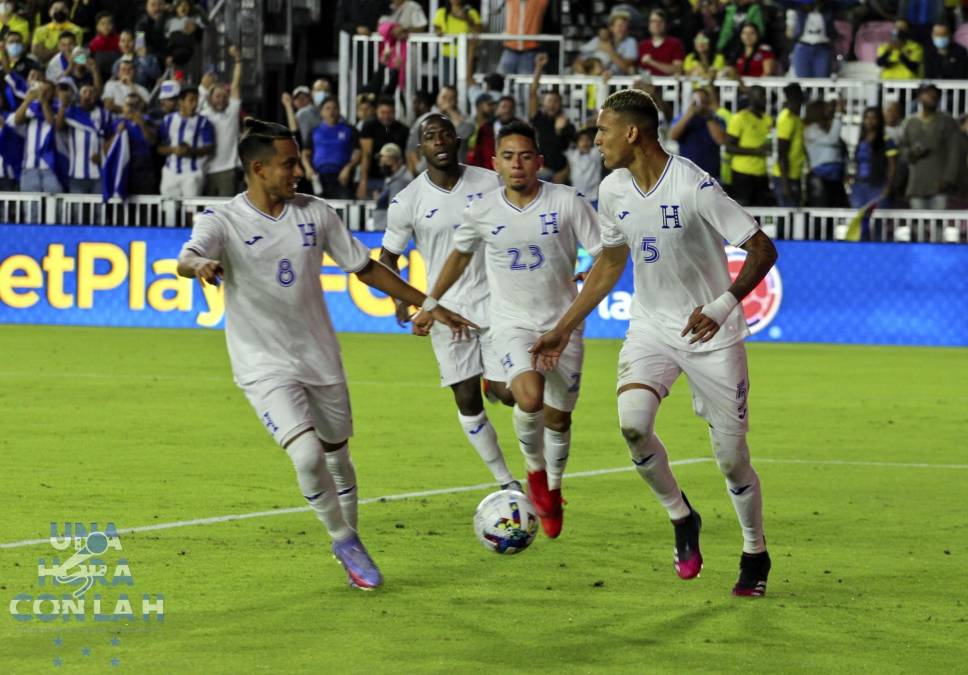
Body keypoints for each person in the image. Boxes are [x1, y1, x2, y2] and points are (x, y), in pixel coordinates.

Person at [176, 118, 474, 590]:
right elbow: (186, 257)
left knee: (337, 451)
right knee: (308, 455)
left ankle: (351, 538)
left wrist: (428, 303)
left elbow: (366, 269)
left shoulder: (316, 213)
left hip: (319, 355)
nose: (300, 170)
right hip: (261, 364)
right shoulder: (222, 219)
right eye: (289, 163)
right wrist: (201, 265)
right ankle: (343, 538)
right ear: (258, 168)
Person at [530, 89, 778, 597]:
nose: (595, 140)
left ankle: (755, 550)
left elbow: (761, 249)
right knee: (632, 425)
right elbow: (611, 262)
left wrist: (721, 305)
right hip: (651, 327)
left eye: (602, 131)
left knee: (731, 460)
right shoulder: (614, 189)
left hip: (712, 334)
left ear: (632, 133)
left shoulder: (694, 186)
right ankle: (682, 517)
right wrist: (564, 325)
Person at [419, 120, 602, 539]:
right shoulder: (481, 210)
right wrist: (430, 302)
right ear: (494, 163)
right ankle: (535, 474)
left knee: (558, 419)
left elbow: (605, 253)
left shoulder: (568, 202)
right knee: (529, 395)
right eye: (508, 157)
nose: (516, 165)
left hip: (564, 323)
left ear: (539, 161)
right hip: (511, 323)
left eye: (525, 156)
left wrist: (589, 273)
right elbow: (459, 258)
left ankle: (553, 488)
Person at [380, 113, 520, 491]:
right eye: (430, 136)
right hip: (446, 309)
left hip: (497, 302)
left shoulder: (491, 182)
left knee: (513, 395)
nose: (438, 141)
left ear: (457, 141)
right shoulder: (408, 201)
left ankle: (497, 387)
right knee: (466, 398)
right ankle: (507, 482)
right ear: (420, 147)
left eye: (445, 134)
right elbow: (388, 257)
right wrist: (400, 300)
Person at [899, 83, 962, 209]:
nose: (932, 97)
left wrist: (948, 179)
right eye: (928, 94)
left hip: (940, 183)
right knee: (918, 224)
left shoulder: (947, 121)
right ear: (919, 97)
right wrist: (912, 152)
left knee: (938, 224)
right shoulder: (909, 122)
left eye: (935, 95)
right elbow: (902, 151)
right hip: (916, 183)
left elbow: (955, 153)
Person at [158, 86, 214, 197]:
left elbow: (210, 148)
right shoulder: (167, 120)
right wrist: (174, 150)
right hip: (170, 172)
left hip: (193, 173)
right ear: (181, 102)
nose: (195, 104)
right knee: (169, 209)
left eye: (196, 100)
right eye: (191, 100)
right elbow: (159, 148)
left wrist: (190, 151)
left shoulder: (204, 122)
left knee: (191, 210)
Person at [201, 46, 242, 197]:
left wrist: (238, 60)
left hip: (227, 170)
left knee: (226, 213)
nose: (221, 99)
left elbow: (236, 84)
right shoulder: (203, 115)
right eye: (217, 96)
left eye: (224, 96)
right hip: (205, 169)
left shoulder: (231, 112)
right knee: (206, 212)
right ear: (210, 98)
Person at [55, 81, 110, 194]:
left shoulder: (104, 114)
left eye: (92, 92)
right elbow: (58, 127)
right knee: (76, 210)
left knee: (98, 210)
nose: (88, 95)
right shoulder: (71, 112)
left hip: (99, 173)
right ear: (79, 96)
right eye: (85, 92)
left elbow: (112, 137)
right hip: (76, 173)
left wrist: (103, 154)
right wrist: (63, 106)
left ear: (96, 97)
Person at [302, 97, 360, 200]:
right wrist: (308, 169)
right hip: (318, 178)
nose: (331, 112)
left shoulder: (349, 129)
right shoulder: (314, 131)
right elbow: (305, 153)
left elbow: (357, 152)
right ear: (321, 112)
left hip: (342, 177)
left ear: (339, 110)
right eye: (327, 108)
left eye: (334, 108)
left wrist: (348, 168)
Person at [529, 53, 575, 184]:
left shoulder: (566, 123)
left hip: (560, 174)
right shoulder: (537, 118)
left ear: (560, 104)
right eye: (549, 100)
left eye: (556, 101)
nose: (552, 104)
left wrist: (560, 130)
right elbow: (532, 93)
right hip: (540, 172)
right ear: (543, 103)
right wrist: (538, 67)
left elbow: (573, 150)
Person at [725, 85, 772, 206]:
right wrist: (756, 151)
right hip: (742, 173)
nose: (765, 99)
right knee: (744, 211)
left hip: (761, 173)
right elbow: (729, 147)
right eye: (761, 96)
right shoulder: (739, 118)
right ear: (751, 98)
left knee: (761, 210)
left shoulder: (768, 119)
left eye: (765, 96)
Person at [13, 77, 63, 193]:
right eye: (42, 90)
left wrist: (43, 101)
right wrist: (27, 100)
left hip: (50, 168)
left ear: (53, 93)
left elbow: (52, 123)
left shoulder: (56, 108)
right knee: (31, 208)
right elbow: (17, 120)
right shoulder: (31, 108)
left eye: (47, 91)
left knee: (54, 206)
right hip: (29, 167)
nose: (44, 93)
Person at [668, 87, 727, 180]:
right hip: (687, 175)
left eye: (703, 101)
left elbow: (720, 140)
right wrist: (689, 114)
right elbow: (672, 136)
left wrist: (707, 116)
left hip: (711, 175)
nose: (700, 105)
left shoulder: (717, 119)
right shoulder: (681, 117)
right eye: (695, 102)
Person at [357, 96, 409, 200]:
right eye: (383, 112)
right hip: (373, 178)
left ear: (394, 112)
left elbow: (406, 157)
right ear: (377, 111)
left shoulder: (403, 130)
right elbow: (366, 155)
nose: (386, 116)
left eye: (389, 112)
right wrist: (363, 182)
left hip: (396, 179)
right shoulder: (369, 127)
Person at [850, 106, 898, 208]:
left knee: (877, 218)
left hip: (878, 185)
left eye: (873, 118)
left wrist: (888, 186)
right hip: (859, 184)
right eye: (867, 118)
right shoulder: (861, 140)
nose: (870, 121)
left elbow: (892, 165)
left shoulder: (887, 140)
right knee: (858, 218)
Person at [803, 99, 847, 207]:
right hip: (821, 177)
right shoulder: (810, 130)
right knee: (821, 211)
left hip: (835, 178)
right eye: (826, 108)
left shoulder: (826, 128)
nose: (829, 110)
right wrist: (838, 116)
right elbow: (832, 140)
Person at [771, 83, 806, 207]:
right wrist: (785, 183)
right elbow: (782, 152)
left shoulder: (795, 118)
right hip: (786, 177)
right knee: (788, 216)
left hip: (793, 174)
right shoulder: (787, 118)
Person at [576, 9, 638, 75]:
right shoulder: (598, 40)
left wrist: (609, 50)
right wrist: (591, 73)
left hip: (617, 82)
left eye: (626, 26)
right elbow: (578, 63)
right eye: (620, 26)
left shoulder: (630, 42)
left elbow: (627, 67)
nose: (623, 29)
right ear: (611, 27)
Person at [498, 0, 550, 75]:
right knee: (499, 79)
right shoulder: (512, 1)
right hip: (510, 48)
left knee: (525, 82)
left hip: (529, 51)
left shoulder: (538, 2)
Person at [787, 0, 834, 79]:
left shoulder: (828, 8)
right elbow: (789, 34)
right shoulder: (798, 8)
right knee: (803, 81)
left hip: (822, 47)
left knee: (821, 81)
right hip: (803, 47)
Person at [370, 142, 411, 229]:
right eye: (381, 162)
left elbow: (396, 213)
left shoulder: (401, 182)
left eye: (386, 162)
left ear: (398, 161)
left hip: (388, 232)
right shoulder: (392, 178)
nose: (382, 165)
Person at [638, 10, 685, 76]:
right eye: (653, 21)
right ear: (648, 25)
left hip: (668, 85)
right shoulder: (642, 45)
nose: (656, 24)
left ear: (666, 24)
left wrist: (651, 62)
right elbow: (636, 69)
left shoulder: (675, 44)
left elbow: (678, 69)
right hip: (647, 85)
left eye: (660, 21)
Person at [564, 127, 603, 204]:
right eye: (581, 140)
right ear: (577, 143)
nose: (585, 142)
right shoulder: (572, 155)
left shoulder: (596, 154)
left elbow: (600, 139)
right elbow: (564, 141)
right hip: (577, 199)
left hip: (594, 198)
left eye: (587, 140)